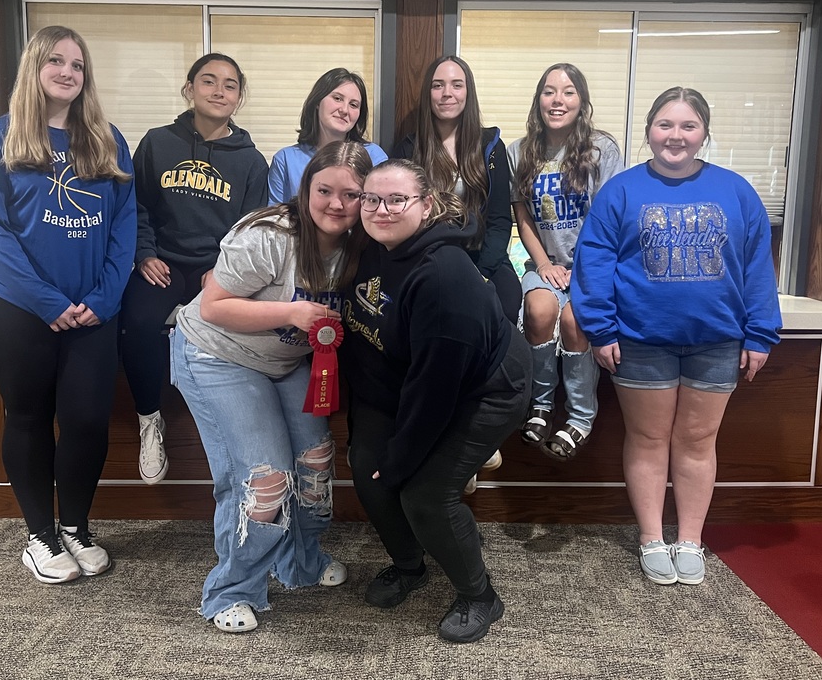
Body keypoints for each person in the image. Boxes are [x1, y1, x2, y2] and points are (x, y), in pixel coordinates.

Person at [571, 87, 782, 586]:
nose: (676, 136)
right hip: (640, 338)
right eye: (665, 124)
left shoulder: (737, 191)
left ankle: (690, 538)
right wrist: (600, 329)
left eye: (688, 126)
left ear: (704, 132)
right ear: (649, 130)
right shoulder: (620, 191)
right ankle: (651, 538)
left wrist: (760, 335)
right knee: (647, 440)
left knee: (697, 441)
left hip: (718, 339)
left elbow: (757, 267)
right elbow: (593, 263)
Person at [170, 141, 372, 633]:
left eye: (351, 195)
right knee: (265, 477)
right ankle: (232, 589)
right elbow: (214, 304)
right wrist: (292, 312)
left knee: (315, 464)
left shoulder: (361, 244)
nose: (336, 204)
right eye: (325, 190)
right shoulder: (268, 235)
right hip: (217, 353)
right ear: (306, 190)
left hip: (287, 361)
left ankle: (299, 563)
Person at [0, 25, 136, 584]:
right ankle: (40, 534)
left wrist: (105, 296)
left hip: (91, 312)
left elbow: (124, 226)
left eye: (78, 64)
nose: (68, 72)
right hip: (17, 310)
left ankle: (76, 526)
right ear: (34, 68)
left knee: (88, 421)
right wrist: (45, 301)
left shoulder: (107, 138)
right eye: (56, 61)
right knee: (30, 417)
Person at [341, 159, 531, 643]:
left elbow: (435, 389)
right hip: (408, 380)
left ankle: (479, 595)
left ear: (426, 206)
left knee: (423, 493)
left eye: (396, 199)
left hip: (484, 387)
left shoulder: (442, 277)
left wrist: (403, 457)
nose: (381, 209)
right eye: (371, 198)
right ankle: (409, 565)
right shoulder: (369, 243)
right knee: (367, 465)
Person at [120, 54, 268, 485]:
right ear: (189, 89)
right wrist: (144, 254)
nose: (219, 91)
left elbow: (250, 230)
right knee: (139, 320)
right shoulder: (156, 142)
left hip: (214, 269)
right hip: (162, 263)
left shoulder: (251, 161)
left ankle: (235, 435)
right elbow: (137, 206)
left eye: (230, 85)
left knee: (230, 331)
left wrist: (226, 271)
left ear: (239, 98)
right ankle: (150, 420)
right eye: (209, 81)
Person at [508, 63, 624, 460]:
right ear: (538, 99)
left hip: (592, 267)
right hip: (545, 265)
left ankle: (580, 417)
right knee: (538, 309)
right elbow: (523, 216)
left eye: (569, 91)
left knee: (576, 321)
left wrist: (584, 270)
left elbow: (607, 218)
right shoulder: (519, 151)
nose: (558, 100)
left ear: (582, 101)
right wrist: (542, 265)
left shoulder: (602, 149)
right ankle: (541, 406)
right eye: (549, 91)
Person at [391, 55, 519, 322]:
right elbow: (400, 221)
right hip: (427, 259)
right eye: (438, 85)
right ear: (428, 93)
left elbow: (499, 220)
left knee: (507, 299)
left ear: (468, 92)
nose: (447, 93)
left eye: (456, 85)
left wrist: (481, 273)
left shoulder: (491, 145)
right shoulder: (408, 149)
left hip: (481, 256)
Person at [268, 68, 387, 204]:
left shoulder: (374, 156)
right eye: (337, 98)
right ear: (318, 102)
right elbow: (274, 218)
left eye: (353, 105)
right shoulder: (285, 159)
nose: (344, 110)